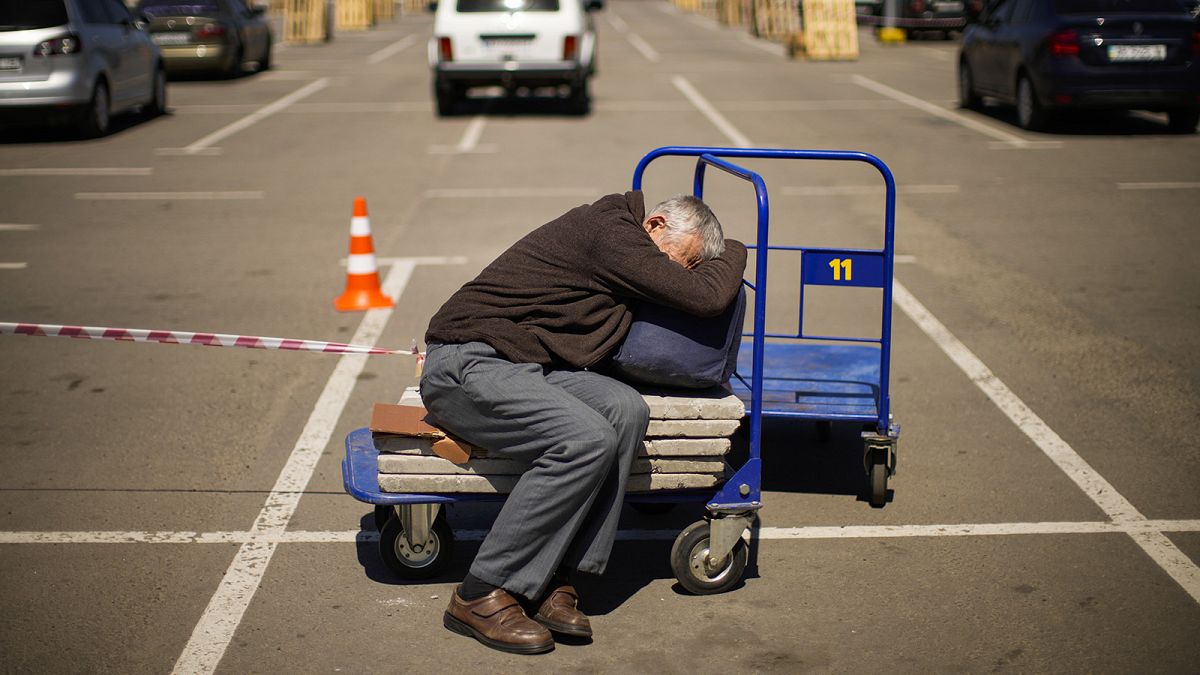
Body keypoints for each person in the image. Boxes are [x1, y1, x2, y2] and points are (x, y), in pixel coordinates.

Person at [419, 191, 747, 654]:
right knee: (585, 440)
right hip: (468, 362)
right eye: (681, 260)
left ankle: (556, 575)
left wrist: (701, 256)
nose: (677, 275)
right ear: (654, 225)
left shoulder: (630, 241)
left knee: (625, 408)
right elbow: (707, 296)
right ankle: (480, 592)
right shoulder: (611, 234)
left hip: (527, 364)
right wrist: (735, 248)